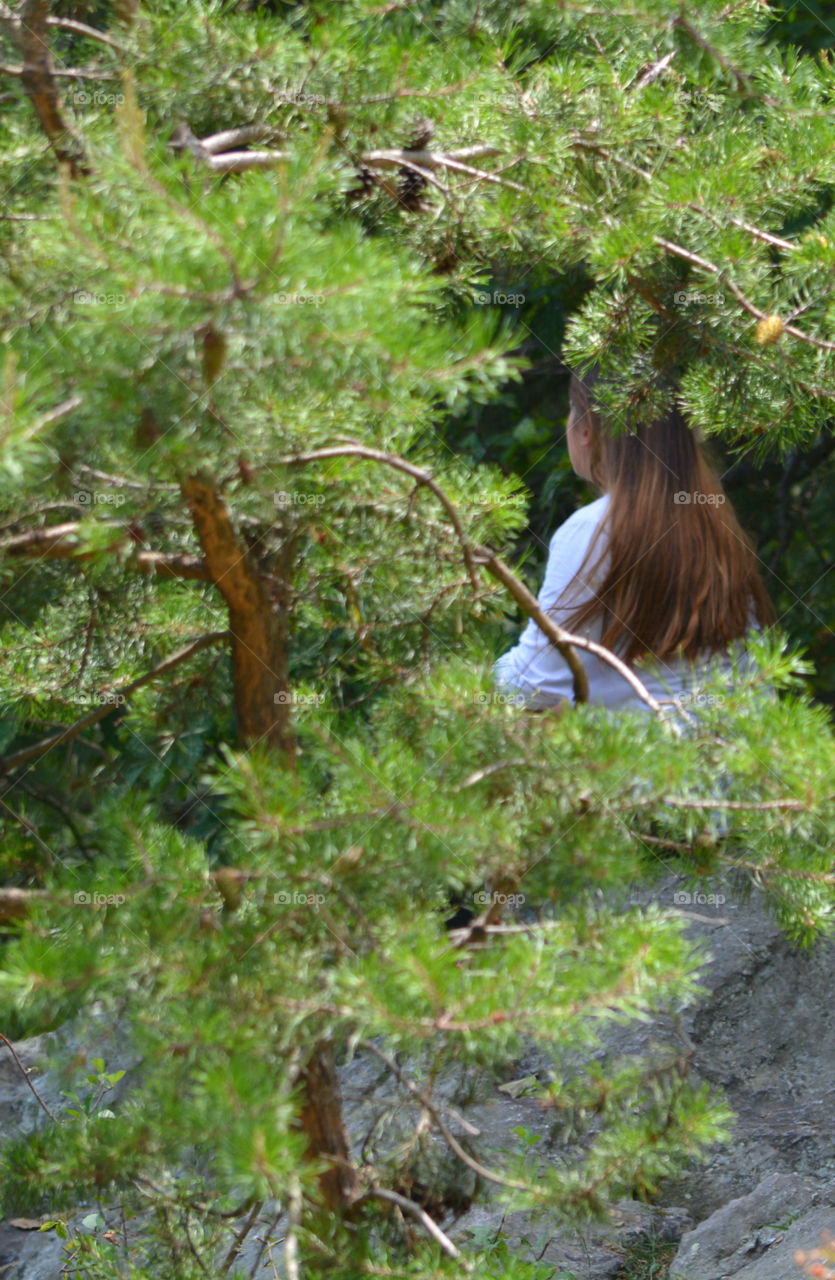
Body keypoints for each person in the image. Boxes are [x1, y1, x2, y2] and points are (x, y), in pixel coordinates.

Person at [493, 367, 774, 713]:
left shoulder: (592, 530)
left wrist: (480, 674)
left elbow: (531, 686)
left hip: (653, 765)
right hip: (739, 759)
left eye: (571, 408)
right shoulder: (713, 523)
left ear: (586, 431)